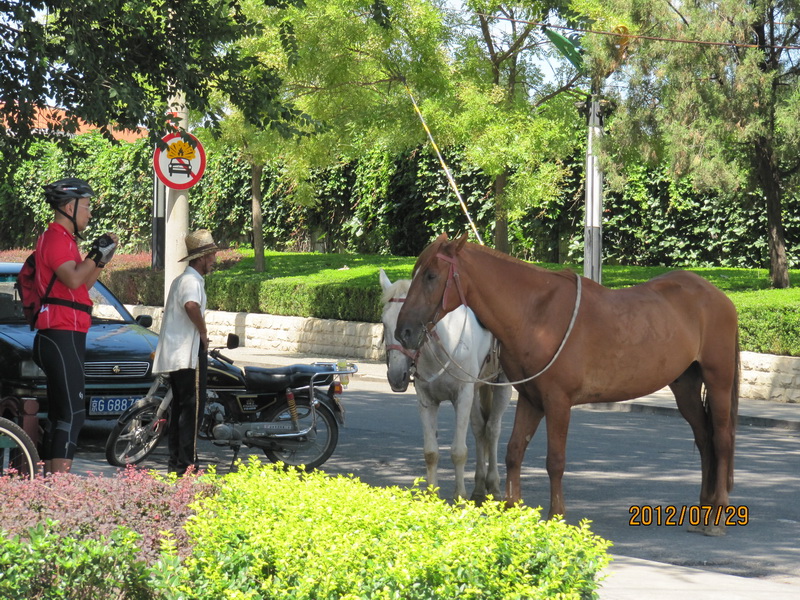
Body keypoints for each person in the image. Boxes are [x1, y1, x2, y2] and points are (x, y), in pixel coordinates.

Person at [33, 177, 118, 474]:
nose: (90, 213)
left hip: (64, 332)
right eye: (87, 207)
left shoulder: (65, 241)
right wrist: (94, 253)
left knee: (60, 415)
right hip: (60, 332)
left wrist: (101, 258)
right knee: (73, 414)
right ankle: (59, 486)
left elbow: (82, 282)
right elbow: (71, 277)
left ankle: (50, 484)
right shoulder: (56, 238)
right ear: (70, 206)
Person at [153, 229, 218, 475]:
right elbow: (192, 305)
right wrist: (203, 332)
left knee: (181, 409)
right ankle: (188, 463)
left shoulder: (183, 279)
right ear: (201, 258)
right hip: (189, 355)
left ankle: (178, 463)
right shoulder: (191, 280)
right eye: (211, 255)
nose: (213, 260)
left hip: (178, 354)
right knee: (192, 410)